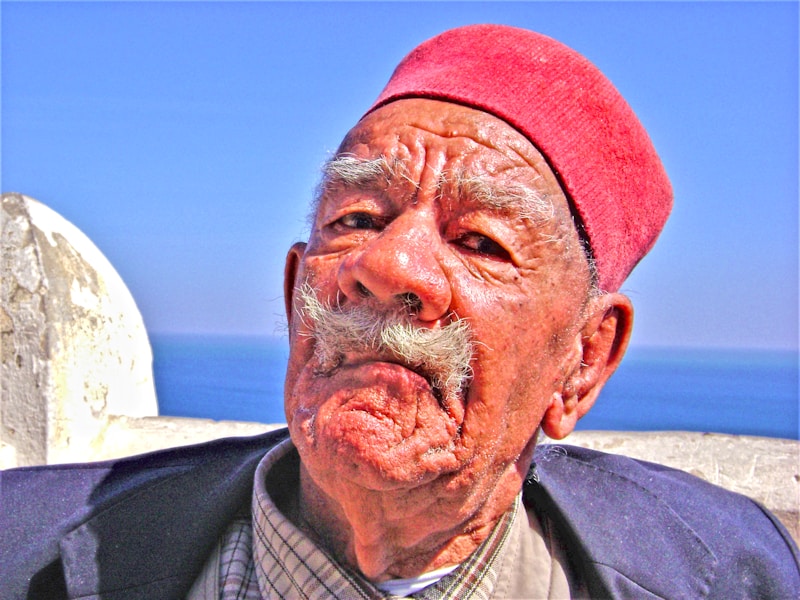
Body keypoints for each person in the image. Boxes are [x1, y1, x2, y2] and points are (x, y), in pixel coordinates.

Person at [2, 24, 798, 600]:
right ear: (295, 299)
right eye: (355, 220)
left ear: (584, 361)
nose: (386, 266)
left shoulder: (731, 572)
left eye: (480, 241)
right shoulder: (21, 554)